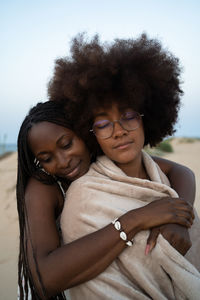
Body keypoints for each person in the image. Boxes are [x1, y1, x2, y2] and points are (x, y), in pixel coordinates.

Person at [59, 34, 200, 299]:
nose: (119, 131)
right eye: (103, 124)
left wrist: (180, 217)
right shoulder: (84, 197)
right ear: (90, 133)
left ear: (148, 117)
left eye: (128, 116)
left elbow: (185, 173)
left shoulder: (162, 176)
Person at [17, 99, 197, 300]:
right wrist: (135, 220)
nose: (63, 161)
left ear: (83, 132)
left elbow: (181, 171)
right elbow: (45, 280)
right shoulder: (43, 187)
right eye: (46, 158)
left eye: (67, 145)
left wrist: (180, 215)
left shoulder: (103, 156)